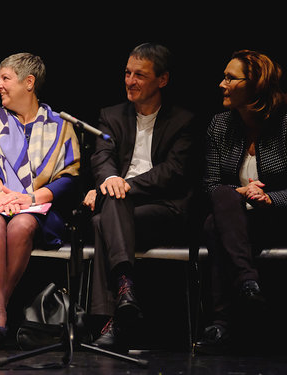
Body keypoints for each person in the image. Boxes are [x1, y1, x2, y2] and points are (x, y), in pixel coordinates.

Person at [0, 52, 80, 345]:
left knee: (22, 225)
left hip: (38, 206)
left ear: (29, 82)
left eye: (5, 78)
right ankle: (1, 312)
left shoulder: (60, 125)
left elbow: (69, 176)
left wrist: (31, 198)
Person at [83, 43, 198, 349]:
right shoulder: (111, 114)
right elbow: (102, 156)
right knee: (107, 214)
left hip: (164, 210)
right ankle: (124, 295)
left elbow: (172, 172)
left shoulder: (183, 120)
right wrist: (110, 180)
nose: (130, 81)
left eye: (140, 75)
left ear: (162, 80)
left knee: (102, 220)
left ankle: (108, 319)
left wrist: (124, 185)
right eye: (127, 73)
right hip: (121, 207)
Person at [195, 50, 287, 353]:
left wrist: (268, 198)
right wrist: (242, 193)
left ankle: (221, 323)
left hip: (276, 218)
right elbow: (209, 186)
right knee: (220, 200)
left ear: (255, 84)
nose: (221, 84)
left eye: (230, 78)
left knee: (214, 224)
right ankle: (248, 283)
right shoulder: (220, 125)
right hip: (236, 219)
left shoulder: (284, 124)